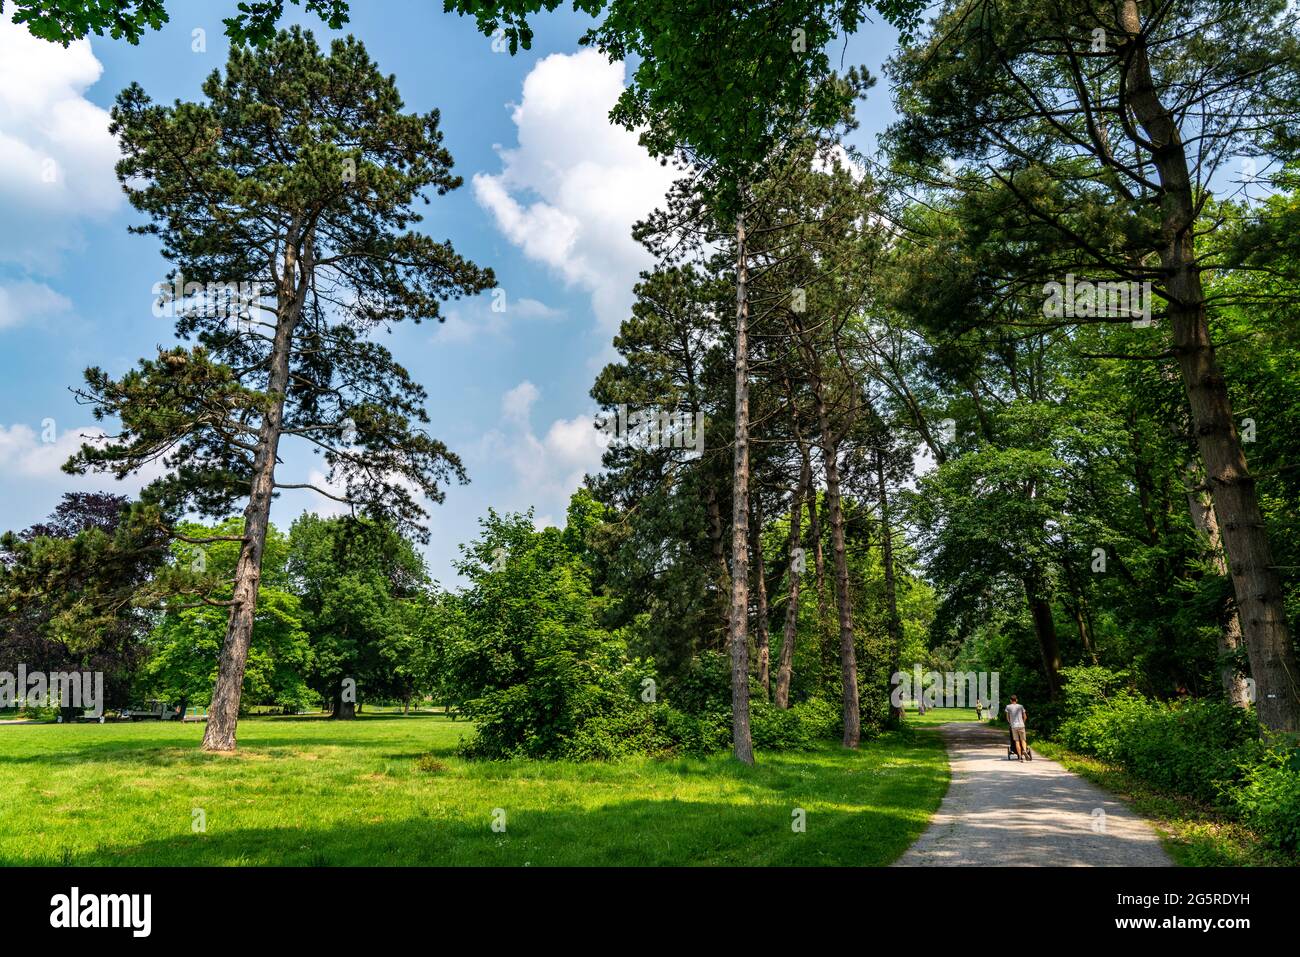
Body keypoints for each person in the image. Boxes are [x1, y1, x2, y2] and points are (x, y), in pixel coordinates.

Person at [1006, 694, 1028, 761]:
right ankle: (1024, 750)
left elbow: (1007, 717)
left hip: (1014, 726)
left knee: (1017, 741)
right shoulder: (1021, 706)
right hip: (1021, 725)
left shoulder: (1008, 707)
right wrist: (1023, 722)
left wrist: (1010, 723)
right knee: (1023, 740)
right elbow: (1025, 717)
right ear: (1016, 700)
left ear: (1010, 700)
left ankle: (1020, 756)